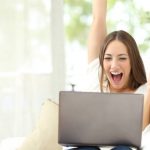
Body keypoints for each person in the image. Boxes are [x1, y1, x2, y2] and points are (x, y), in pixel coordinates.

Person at [18, 0, 150, 150]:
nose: (114, 65)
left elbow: (142, 131)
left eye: (122, 58)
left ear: (133, 61)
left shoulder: (144, 91)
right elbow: (97, 18)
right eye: (108, 58)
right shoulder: (96, 75)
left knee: (123, 148)